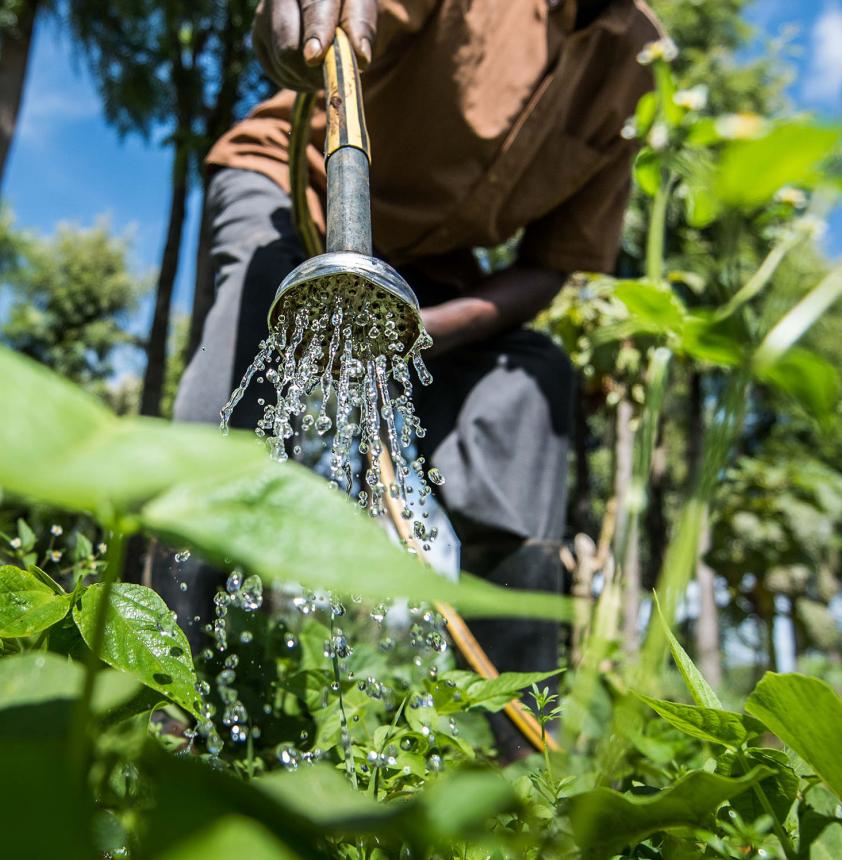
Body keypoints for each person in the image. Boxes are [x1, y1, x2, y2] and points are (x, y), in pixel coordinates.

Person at [164, 0, 662, 758]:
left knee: (529, 383)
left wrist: (417, 333)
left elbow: (554, 265)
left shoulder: (640, 64)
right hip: (288, 189)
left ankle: (523, 764)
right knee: (236, 399)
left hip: (431, 274)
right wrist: (300, 22)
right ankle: (162, 722)